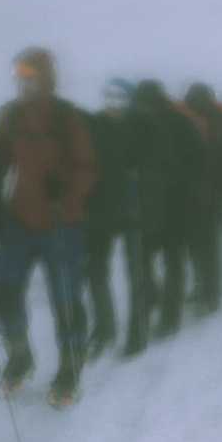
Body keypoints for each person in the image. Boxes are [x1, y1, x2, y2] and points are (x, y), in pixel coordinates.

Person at [0, 47, 98, 406]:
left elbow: (87, 168)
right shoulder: (9, 116)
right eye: (20, 77)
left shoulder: (68, 118)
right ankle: (20, 353)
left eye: (31, 77)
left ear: (46, 78)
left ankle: (70, 364)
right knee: (3, 289)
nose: (24, 83)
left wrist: (66, 189)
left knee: (65, 297)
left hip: (61, 221)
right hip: (20, 219)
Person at [122, 79, 197, 353]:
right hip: (145, 210)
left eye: (148, 105)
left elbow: (197, 160)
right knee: (145, 268)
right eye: (141, 105)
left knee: (170, 263)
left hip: (171, 207)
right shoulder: (134, 125)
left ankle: (167, 315)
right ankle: (152, 317)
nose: (145, 110)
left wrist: (183, 184)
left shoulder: (177, 124)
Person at [82, 80, 142, 355]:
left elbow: (148, 168)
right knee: (95, 271)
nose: (114, 105)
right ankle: (104, 328)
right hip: (101, 210)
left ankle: (136, 331)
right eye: (109, 99)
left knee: (136, 273)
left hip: (132, 210)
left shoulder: (140, 128)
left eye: (119, 100)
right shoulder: (95, 126)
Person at [181, 82, 222, 317]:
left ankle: (209, 292)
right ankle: (205, 288)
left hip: (213, 193)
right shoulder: (198, 117)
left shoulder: (218, 120)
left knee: (207, 242)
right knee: (199, 242)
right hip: (201, 192)